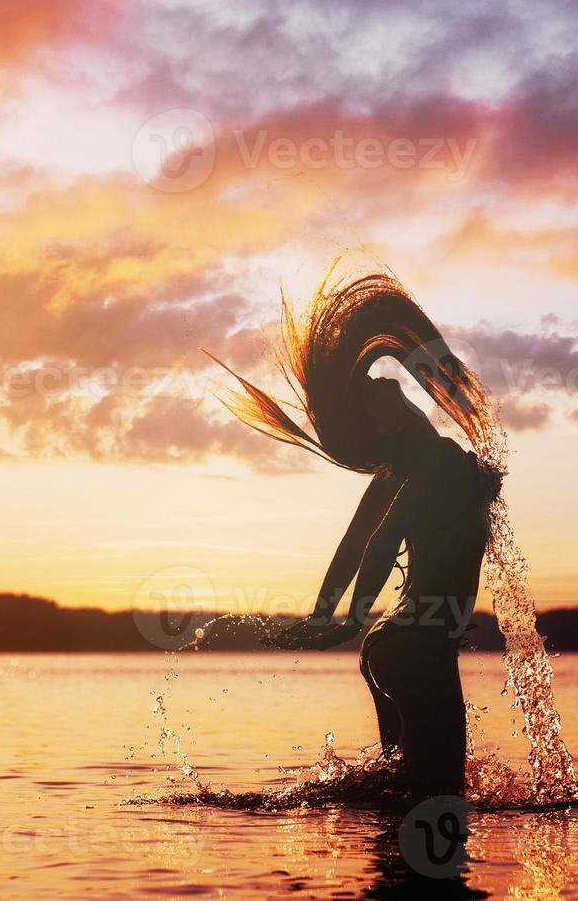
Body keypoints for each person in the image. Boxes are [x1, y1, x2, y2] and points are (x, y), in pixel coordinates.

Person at [209, 269, 503, 797]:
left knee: (402, 800)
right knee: (439, 798)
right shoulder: (433, 461)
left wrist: (328, 615)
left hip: (397, 646)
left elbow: (350, 548)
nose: (384, 382)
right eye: (376, 393)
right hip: (419, 646)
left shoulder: (404, 472)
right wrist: (347, 620)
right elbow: (380, 542)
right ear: (387, 423)